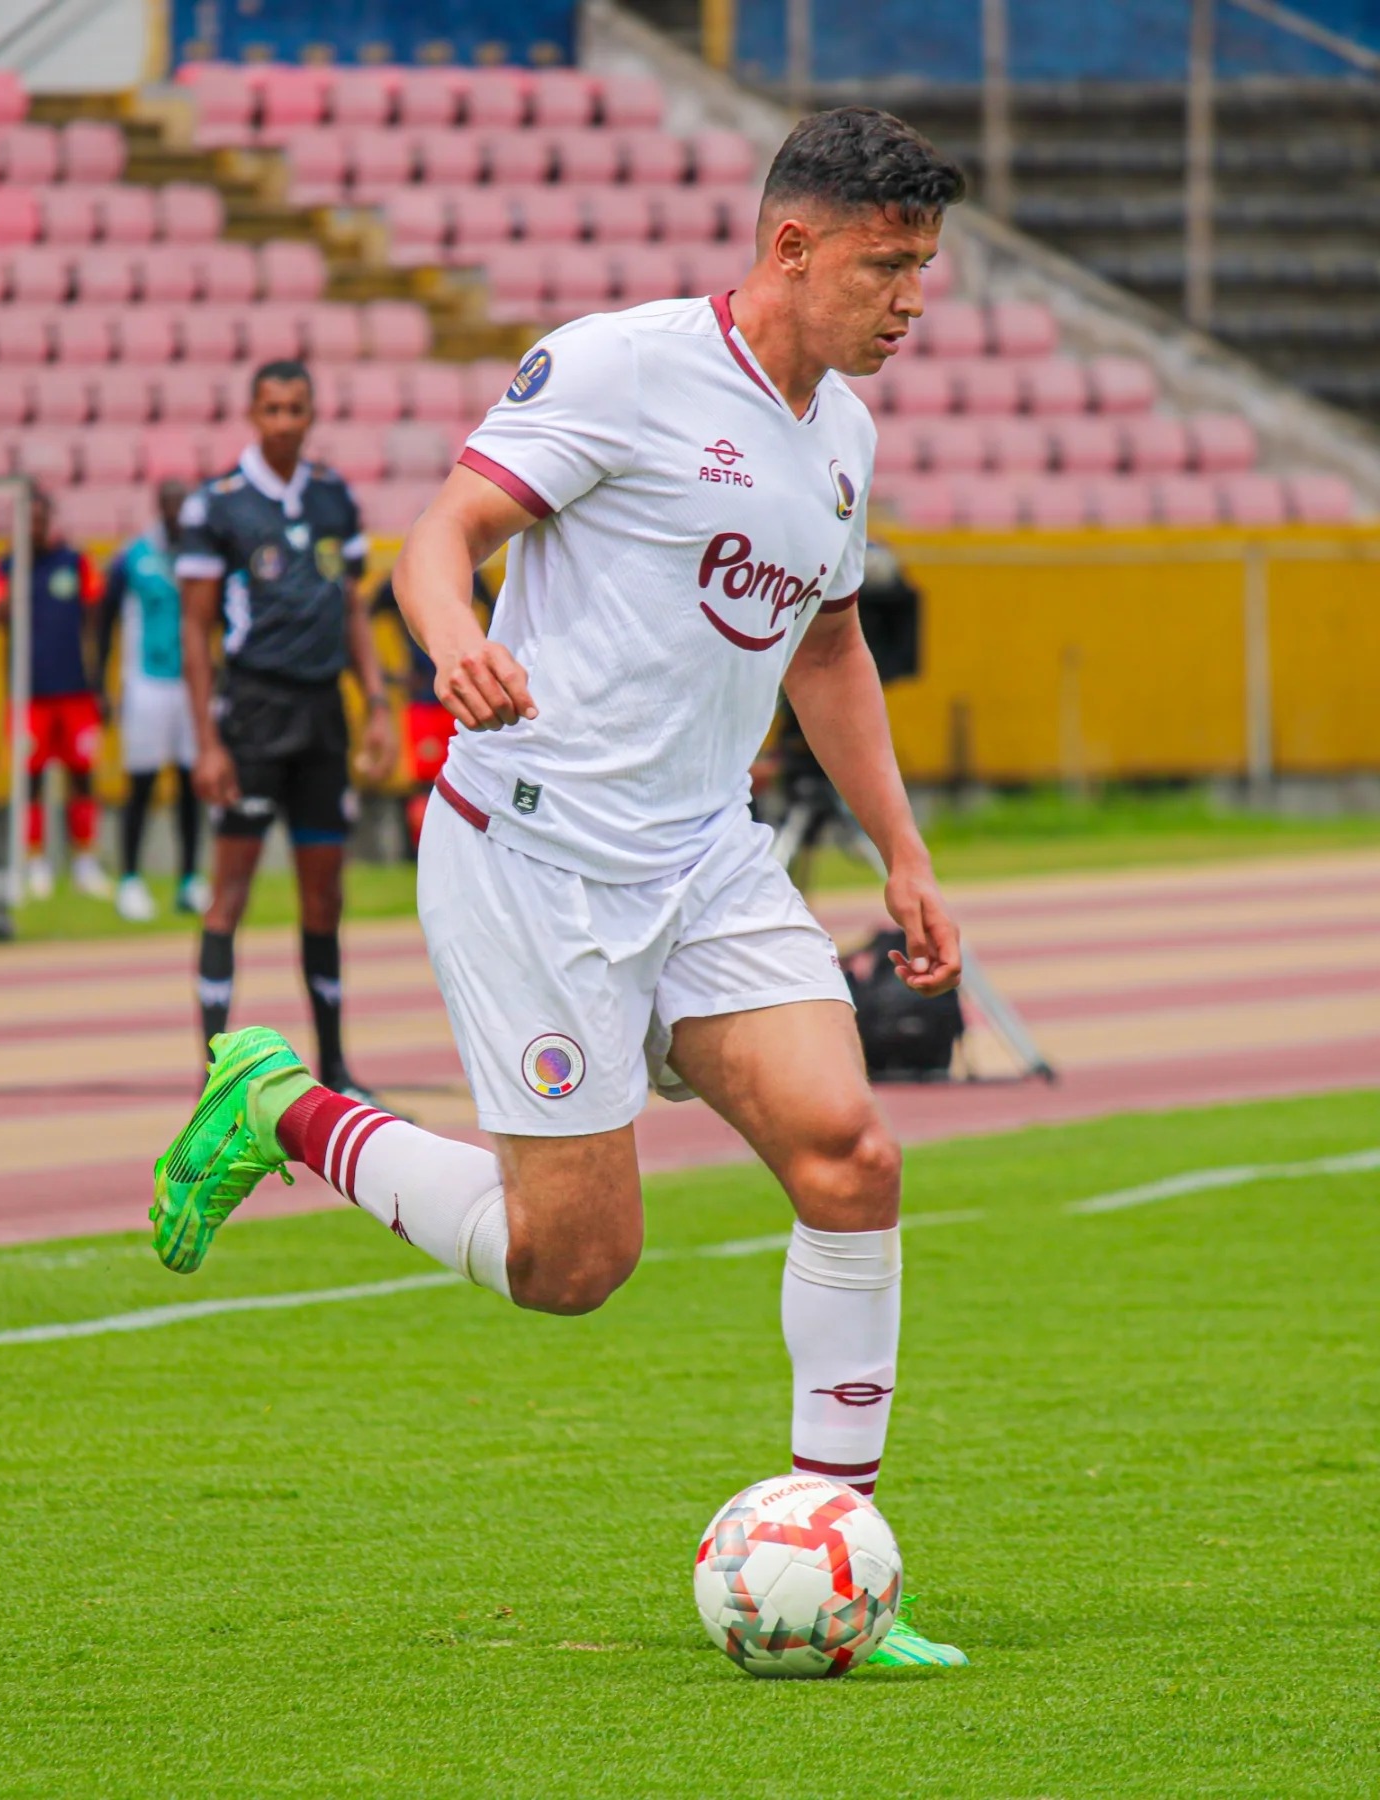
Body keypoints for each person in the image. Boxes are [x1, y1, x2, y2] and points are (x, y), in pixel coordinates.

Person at [152, 111, 969, 1670]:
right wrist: (457, 638)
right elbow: (440, 533)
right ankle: (283, 1111)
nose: (911, 298)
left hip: (709, 854)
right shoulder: (620, 367)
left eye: (925, 268)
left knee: (853, 1161)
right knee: (572, 1267)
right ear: (791, 245)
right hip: (538, 850)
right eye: (889, 263)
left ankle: (843, 1558)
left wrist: (903, 854)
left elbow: (827, 647)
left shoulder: (843, 433)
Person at [173, 359, 396, 1098]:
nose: (283, 421)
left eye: (295, 408)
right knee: (229, 893)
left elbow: (355, 609)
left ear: (310, 415)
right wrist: (208, 741)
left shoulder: (333, 498)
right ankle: (215, 1078)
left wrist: (377, 702)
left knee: (324, 897)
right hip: (255, 716)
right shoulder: (218, 506)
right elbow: (196, 627)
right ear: (252, 414)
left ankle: (333, 1067)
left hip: (323, 718)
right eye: (271, 409)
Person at [0, 486, 109, 901]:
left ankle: (85, 861)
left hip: (75, 691)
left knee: (82, 776)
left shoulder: (75, 562)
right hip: (28, 695)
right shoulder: (5, 566)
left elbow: (95, 615)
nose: (35, 527)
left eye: (40, 519)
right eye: (28, 520)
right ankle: (34, 862)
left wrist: (97, 676)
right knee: (30, 778)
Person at [95, 479, 209, 923]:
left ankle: (188, 880)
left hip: (190, 684)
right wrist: (101, 681)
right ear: (159, 507)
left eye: (184, 505)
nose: (177, 514)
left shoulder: (201, 554)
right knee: (141, 784)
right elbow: (104, 622)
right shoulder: (133, 558)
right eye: (171, 505)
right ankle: (129, 879)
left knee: (190, 782)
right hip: (145, 682)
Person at [367, 568, 493, 847]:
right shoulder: (404, 577)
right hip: (424, 698)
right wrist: (391, 675)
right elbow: (362, 619)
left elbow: (498, 613)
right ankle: (423, 849)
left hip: (465, 694)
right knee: (427, 782)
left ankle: (465, 845)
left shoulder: (471, 573)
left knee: (469, 775)